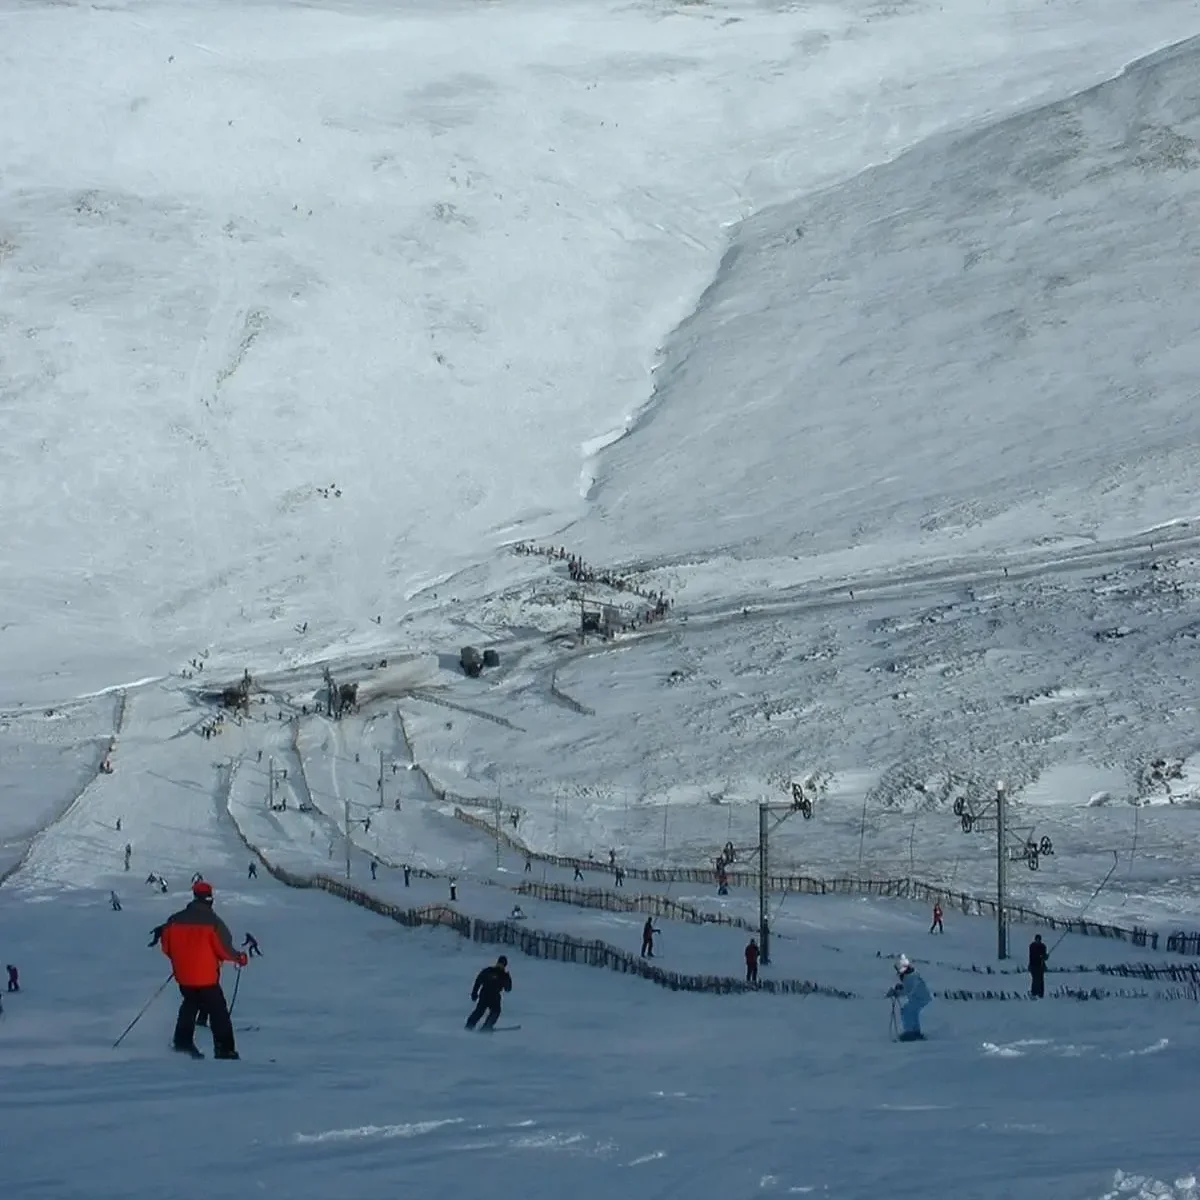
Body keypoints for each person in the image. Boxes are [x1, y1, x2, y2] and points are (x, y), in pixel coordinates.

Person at [158, 879, 248, 1059]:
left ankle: (182, 1043)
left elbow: (167, 948)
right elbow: (224, 949)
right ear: (210, 899)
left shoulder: (174, 920)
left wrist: (182, 961)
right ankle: (224, 1049)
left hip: (183, 976)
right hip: (206, 977)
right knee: (218, 1011)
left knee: (190, 1004)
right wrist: (240, 958)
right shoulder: (214, 922)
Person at [887, 954, 931, 1041]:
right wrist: (900, 988)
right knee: (911, 1011)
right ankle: (915, 1032)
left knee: (907, 1011)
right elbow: (908, 988)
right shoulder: (911, 976)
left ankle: (910, 1033)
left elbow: (908, 990)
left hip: (920, 998)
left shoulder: (910, 977)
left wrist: (896, 992)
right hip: (919, 998)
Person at [466, 955, 512, 1031]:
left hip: (494, 996)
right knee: (480, 1011)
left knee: (495, 1011)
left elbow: (508, 989)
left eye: (502, 965)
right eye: (500, 964)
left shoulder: (503, 975)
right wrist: (474, 993)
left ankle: (486, 1026)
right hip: (486, 994)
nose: (501, 966)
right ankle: (470, 1026)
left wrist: (508, 979)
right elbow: (478, 981)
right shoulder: (489, 971)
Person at [1028, 934, 1048, 998]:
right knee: (1035, 979)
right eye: (1037, 939)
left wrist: (1045, 956)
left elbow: (1044, 957)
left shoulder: (1043, 946)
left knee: (1041, 980)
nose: (1038, 941)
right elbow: (1032, 956)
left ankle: (1041, 994)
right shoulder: (1032, 946)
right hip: (1033, 965)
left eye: (1039, 940)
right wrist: (1041, 956)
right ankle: (1034, 993)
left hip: (1041, 966)